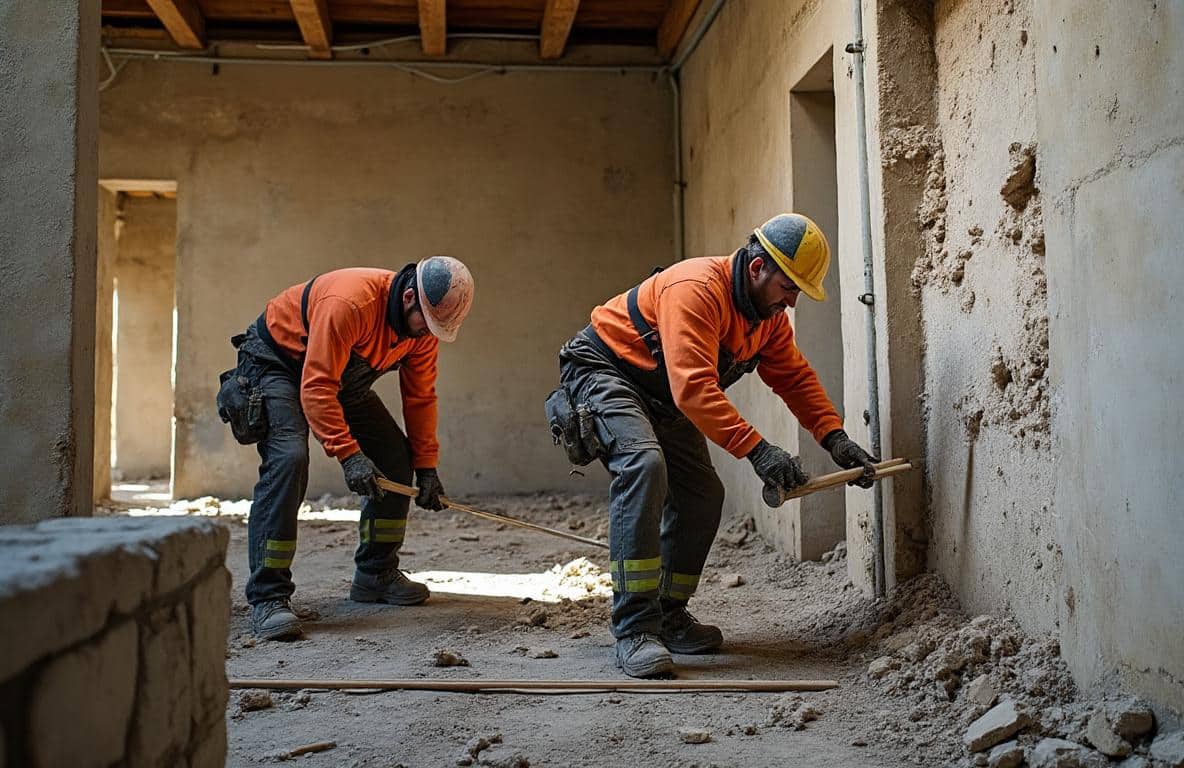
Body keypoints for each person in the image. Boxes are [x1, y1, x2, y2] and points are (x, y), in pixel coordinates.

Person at [547, 213, 877, 677]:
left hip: (663, 394)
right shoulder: (697, 289)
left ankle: (668, 612)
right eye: (789, 287)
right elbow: (695, 390)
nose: (793, 301)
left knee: (702, 494)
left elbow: (794, 377)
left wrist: (834, 436)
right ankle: (635, 628)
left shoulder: (766, 319)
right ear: (758, 267)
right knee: (643, 465)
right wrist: (759, 450)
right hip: (606, 373)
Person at [219, 257, 474, 640]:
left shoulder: (423, 332)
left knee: (394, 458)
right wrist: (348, 455)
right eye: (427, 324)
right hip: (278, 366)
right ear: (409, 298)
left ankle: (375, 574)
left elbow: (420, 397)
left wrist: (426, 467)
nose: (427, 335)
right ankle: (268, 597)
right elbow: (317, 387)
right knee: (289, 459)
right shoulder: (350, 304)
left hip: (338, 377)